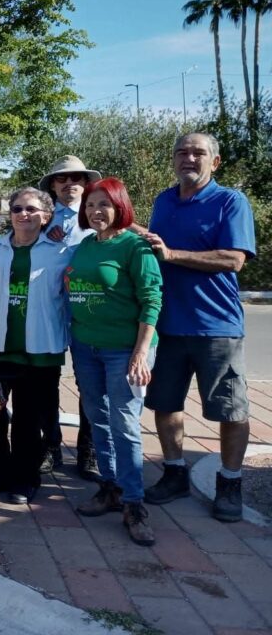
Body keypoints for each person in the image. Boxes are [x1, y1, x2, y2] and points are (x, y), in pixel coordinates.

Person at [141, 133, 256, 522]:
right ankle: (174, 472)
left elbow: (234, 259)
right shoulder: (163, 200)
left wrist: (173, 254)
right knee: (164, 404)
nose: (189, 158)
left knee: (230, 409)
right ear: (173, 159)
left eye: (198, 152)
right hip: (167, 325)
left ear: (215, 161)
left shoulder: (230, 201)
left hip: (217, 327)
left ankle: (230, 481)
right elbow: (156, 249)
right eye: (182, 152)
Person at [65, 178, 162, 546]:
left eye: (104, 204)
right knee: (97, 418)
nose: (95, 212)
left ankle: (135, 504)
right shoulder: (87, 244)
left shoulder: (135, 246)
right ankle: (111, 488)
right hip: (86, 346)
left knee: (124, 423)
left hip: (125, 350)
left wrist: (140, 352)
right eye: (90, 205)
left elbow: (152, 300)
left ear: (120, 206)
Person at [0, 187, 70, 505]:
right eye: (17, 209)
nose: (24, 214)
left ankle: (25, 479)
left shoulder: (61, 253)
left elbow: (69, 299)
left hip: (40, 351)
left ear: (46, 215)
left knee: (29, 419)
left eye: (31, 209)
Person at [39, 155, 103, 480]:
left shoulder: (97, 217)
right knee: (46, 383)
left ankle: (88, 451)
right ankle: (50, 446)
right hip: (48, 312)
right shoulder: (41, 219)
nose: (69, 184)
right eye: (61, 179)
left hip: (86, 314)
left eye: (76, 178)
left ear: (85, 183)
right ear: (53, 185)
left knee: (89, 384)